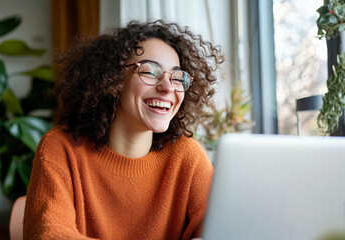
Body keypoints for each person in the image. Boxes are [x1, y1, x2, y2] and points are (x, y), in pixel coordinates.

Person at [23, 20, 224, 240]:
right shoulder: (61, 148)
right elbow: (48, 233)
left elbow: (223, 230)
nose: (167, 87)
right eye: (150, 72)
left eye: (177, 78)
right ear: (114, 81)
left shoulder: (187, 157)